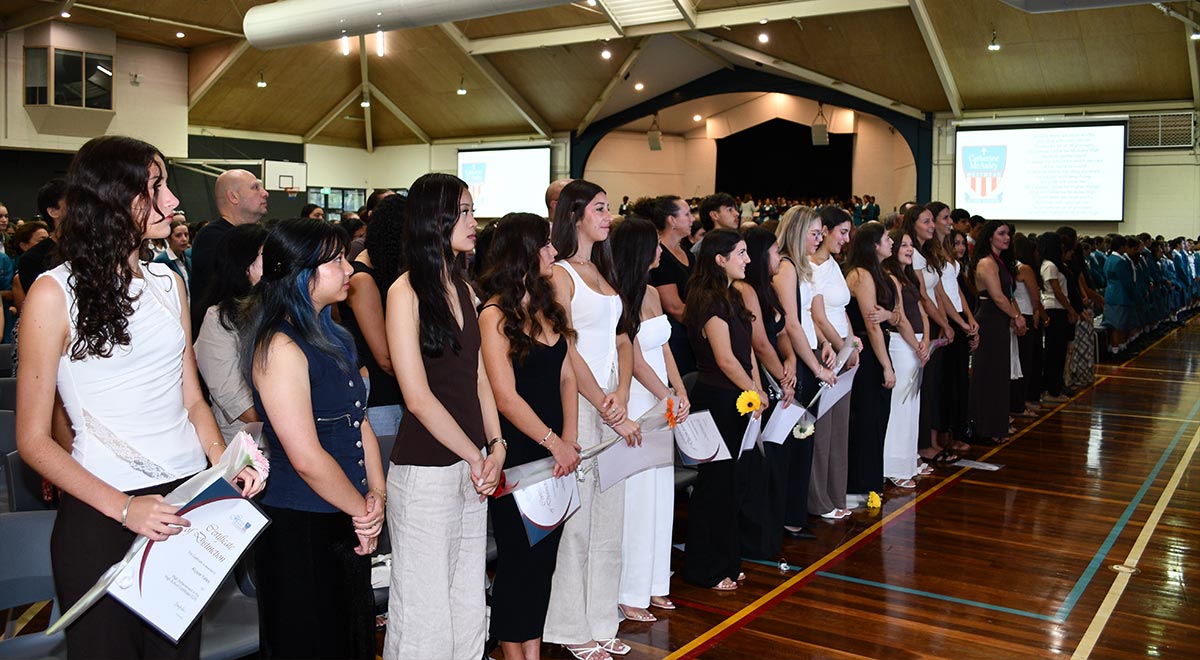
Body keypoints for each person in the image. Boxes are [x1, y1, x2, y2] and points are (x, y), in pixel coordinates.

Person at [16, 135, 264, 659]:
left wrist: (224, 463)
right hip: (103, 509)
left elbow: (193, 401)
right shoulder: (52, 293)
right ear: (111, 197)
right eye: (156, 187)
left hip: (183, 503)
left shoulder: (169, 282)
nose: (173, 202)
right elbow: (34, 441)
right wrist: (126, 509)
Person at [242, 218, 383, 659]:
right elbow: (305, 455)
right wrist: (363, 510)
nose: (349, 270)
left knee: (349, 640)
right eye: (336, 261)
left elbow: (359, 422)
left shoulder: (334, 336)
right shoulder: (279, 347)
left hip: (344, 513)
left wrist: (376, 493)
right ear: (303, 273)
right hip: (302, 524)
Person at [384, 173, 504, 659]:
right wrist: (476, 455)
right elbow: (416, 396)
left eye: (474, 211)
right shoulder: (404, 291)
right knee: (423, 610)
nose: (474, 222)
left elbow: (480, 380)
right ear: (436, 220)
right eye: (466, 212)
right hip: (425, 469)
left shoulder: (466, 288)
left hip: (471, 464)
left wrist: (497, 446)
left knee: (467, 600)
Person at [478, 213, 581, 660]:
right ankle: (513, 652)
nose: (553, 253)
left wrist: (570, 439)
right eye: (546, 245)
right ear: (523, 250)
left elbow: (567, 378)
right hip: (520, 452)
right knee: (519, 562)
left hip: (556, 450)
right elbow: (504, 396)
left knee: (544, 564)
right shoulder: (494, 314)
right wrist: (552, 441)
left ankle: (532, 652)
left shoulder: (547, 305)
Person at [546, 179, 639, 660]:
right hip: (580, 405)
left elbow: (624, 339)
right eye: (600, 209)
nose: (608, 216)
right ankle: (568, 624)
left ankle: (603, 618)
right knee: (577, 521)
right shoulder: (560, 274)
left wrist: (622, 392)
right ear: (576, 215)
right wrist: (605, 402)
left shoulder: (602, 270)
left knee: (611, 519)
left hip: (610, 401)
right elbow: (565, 349)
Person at [610, 216, 690, 622]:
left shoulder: (653, 293)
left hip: (664, 398)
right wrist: (664, 395)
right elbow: (634, 357)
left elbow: (667, 348)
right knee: (639, 497)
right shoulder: (620, 295)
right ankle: (629, 590)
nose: (662, 251)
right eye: (655, 245)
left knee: (662, 493)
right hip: (641, 399)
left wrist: (679, 390)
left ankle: (656, 582)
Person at [683, 228, 766, 591]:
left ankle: (728, 561)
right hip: (716, 401)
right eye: (741, 253)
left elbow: (747, 352)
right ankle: (706, 567)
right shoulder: (706, 299)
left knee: (735, 485)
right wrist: (752, 391)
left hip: (738, 399)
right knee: (714, 487)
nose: (748, 260)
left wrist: (758, 389)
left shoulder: (732, 296)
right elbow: (725, 359)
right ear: (720, 259)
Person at [772, 206, 837, 540]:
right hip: (801, 363)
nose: (819, 239)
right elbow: (791, 322)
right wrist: (815, 367)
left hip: (810, 354)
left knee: (804, 439)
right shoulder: (785, 267)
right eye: (814, 233)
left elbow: (812, 316)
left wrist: (824, 343)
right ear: (798, 232)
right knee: (793, 442)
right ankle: (786, 515)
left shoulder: (803, 267)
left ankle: (795, 511)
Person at [734, 226, 798, 558]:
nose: (779, 257)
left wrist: (790, 359)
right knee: (760, 464)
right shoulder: (745, 290)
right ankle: (756, 539)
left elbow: (781, 330)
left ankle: (772, 532)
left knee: (777, 462)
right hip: (761, 382)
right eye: (775, 251)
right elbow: (758, 342)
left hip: (777, 377)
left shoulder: (769, 288)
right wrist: (781, 376)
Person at [338, 194, 406, 438]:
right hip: (380, 399)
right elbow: (384, 356)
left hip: (394, 394)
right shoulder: (363, 278)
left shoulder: (386, 270)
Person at [808, 206, 860, 519]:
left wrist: (853, 342)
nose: (846, 238)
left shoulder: (833, 263)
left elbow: (842, 310)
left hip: (843, 350)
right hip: (825, 352)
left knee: (840, 427)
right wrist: (841, 347)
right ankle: (818, 500)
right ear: (824, 231)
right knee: (822, 429)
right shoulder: (810, 267)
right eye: (842, 232)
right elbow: (817, 315)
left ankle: (835, 493)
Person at [194, 223, 267, 444]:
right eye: (265, 256)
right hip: (249, 447)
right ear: (245, 267)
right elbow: (235, 398)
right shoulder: (219, 320)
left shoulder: (281, 311)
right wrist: (288, 425)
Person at [900, 205, 959, 463]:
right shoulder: (914, 255)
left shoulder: (927, 253)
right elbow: (923, 296)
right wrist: (943, 323)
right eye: (927, 222)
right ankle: (923, 444)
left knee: (932, 386)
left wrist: (949, 321)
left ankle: (929, 441)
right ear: (913, 224)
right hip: (924, 322)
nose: (932, 226)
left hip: (933, 321)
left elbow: (939, 293)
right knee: (925, 386)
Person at [843, 222, 897, 502]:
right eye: (887, 238)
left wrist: (890, 315)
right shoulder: (861, 275)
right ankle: (858, 484)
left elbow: (892, 317)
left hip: (879, 345)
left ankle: (870, 481)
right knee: (865, 418)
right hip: (866, 350)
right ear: (873, 244)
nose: (892, 242)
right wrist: (886, 365)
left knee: (878, 417)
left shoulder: (880, 273)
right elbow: (871, 325)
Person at [190, 168, 269, 336]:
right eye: (255, 187)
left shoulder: (256, 235)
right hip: (224, 335)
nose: (265, 193)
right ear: (233, 197)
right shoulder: (212, 237)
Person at [881, 228, 930, 488]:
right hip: (902, 346)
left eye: (911, 245)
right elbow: (899, 319)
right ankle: (894, 466)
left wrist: (926, 341)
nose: (910, 249)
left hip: (917, 344)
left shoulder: (908, 277)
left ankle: (909, 460)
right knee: (900, 406)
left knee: (913, 405)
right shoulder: (891, 277)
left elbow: (922, 311)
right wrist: (918, 346)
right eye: (904, 246)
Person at [969, 221, 1026, 444]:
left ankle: (996, 424)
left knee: (1000, 374)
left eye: (1009, 234)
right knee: (990, 374)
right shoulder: (986, 263)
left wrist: (1013, 315)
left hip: (1000, 320)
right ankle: (985, 426)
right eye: (1001, 233)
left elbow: (1007, 295)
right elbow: (998, 296)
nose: (1007, 237)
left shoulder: (999, 261)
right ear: (989, 237)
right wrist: (1016, 317)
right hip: (991, 320)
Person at [637, 195, 696, 375]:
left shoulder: (686, 252)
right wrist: (708, 325)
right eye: (687, 214)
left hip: (691, 333)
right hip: (676, 337)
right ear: (672, 220)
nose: (692, 219)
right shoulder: (660, 257)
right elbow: (674, 307)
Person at [1038, 232, 1077, 403]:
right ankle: (1050, 390)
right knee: (1054, 352)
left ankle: (1055, 386)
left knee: (1059, 351)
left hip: (1059, 308)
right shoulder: (1049, 266)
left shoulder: (1055, 265)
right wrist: (1070, 309)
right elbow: (1057, 291)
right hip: (1054, 308)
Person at [152, 219, 192, 294]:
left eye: (186, 235)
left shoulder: (188, 260)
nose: (184, 239)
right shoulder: (161, 261)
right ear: (168, 238)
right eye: (178, 235)